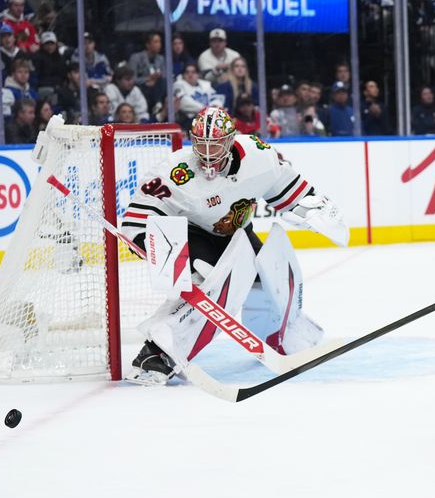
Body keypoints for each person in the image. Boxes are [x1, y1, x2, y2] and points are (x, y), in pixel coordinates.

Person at [120, 107, 347, 385]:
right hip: (196, 233)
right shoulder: (176, 172)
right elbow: (138, 217)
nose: (206, 153)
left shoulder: (258, 155)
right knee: (212, 284)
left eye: (214, 144)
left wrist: (312, 209)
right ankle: (156, 354)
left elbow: (285, 187)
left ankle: (284, 335)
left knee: (271, 276)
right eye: (200, 144)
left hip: (238, 232)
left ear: (230, 140)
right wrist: (146, 239)